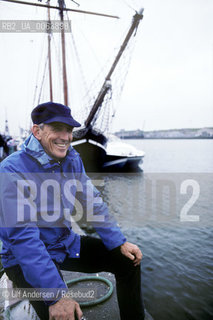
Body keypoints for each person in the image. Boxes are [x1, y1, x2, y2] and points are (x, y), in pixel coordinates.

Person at [0, 102, 145, 320]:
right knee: (67, 314)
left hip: (63, 244)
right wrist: (57, 297)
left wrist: (119, 242)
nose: (65, 137)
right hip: (21, 260)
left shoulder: (71, 159)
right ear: (37, 131)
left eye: (68, 130)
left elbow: (92, 202)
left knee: (127, 262)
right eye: (57, 128)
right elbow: (23, 239)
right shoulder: (11, 170)